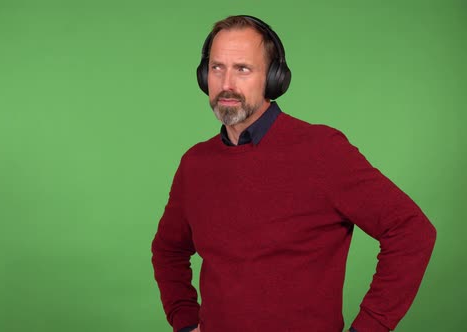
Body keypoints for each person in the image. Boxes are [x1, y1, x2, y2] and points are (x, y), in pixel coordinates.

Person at [151, 15, 436, 332]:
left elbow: (411, 230)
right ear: (204, 76)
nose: (226, 83)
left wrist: (370, 326)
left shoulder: (322, 150)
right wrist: (186, 322)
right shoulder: (195, 164)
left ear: (273, 79)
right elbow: (168, 250)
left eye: (242, 68)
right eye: (217, 68)